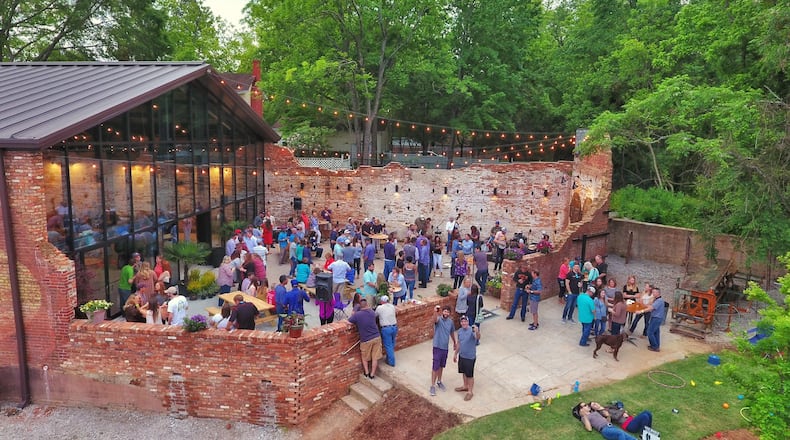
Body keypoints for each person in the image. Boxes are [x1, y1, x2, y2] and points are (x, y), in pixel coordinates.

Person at [348, 298, 382, 379]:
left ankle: (366, 372)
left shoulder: (357, 315)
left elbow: (349, 320)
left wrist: (355, 310)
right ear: (367, 305)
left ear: (360, 306)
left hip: (366, 339)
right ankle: (372, 374)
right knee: (375, 357)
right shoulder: (372, 312)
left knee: (364, 357)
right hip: (376, 337)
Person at [429, 305, 457, 397]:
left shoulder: (450, 322)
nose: (446, 313)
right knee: (435, 367)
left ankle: (439, 381)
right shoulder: (439, 320)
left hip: (445, 347)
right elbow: (433, 320)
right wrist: (435, 311)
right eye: (445, 311)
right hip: (437, 346)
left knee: (441, 366)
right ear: (442, 312)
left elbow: (452, 332)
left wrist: (454, 342)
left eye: (448, 312)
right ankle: (432, 386)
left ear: (449, 313)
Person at [453, 315, 480, 401]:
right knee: (463, 372)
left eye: (465, 321)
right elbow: (459, 343)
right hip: (462, 355)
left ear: (468, 322)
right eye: (462, 321)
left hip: (470, 357)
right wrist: (455, 354)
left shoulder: (471, 330)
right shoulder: (460, 331)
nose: (464, 323)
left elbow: (477, 337)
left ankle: (470, 392)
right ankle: (465, 386)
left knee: (470, 375)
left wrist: (477, 331)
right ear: (461, 323)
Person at [639, 287, 667, 352]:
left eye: (654, 292)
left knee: (650, 332)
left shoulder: (659, 300)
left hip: (656, 318)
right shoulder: (657, 300)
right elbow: (650, 306)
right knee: (656, 332)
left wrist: (641, 311)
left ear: (658, 293)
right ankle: (657, 346)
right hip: (657, 318)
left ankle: (654, 346)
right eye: (653, 292)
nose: (653, 293)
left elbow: (651, 308)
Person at [375, 295, 398, 366]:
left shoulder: (380, 308)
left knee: (388, 346)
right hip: (394, 326)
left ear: (382, 301)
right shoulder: (392, 306)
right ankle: (389, 358)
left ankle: (391, 362)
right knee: (392, 343)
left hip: (386, 328)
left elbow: (375, 315)